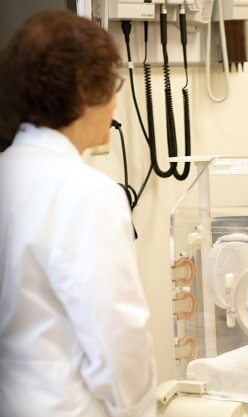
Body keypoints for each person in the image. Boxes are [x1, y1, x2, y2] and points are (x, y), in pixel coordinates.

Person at [0, 11, 156, 417]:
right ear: (87, 90)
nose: (117, 99)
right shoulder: (86, 194)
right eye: (114, 84)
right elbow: (117, 337)